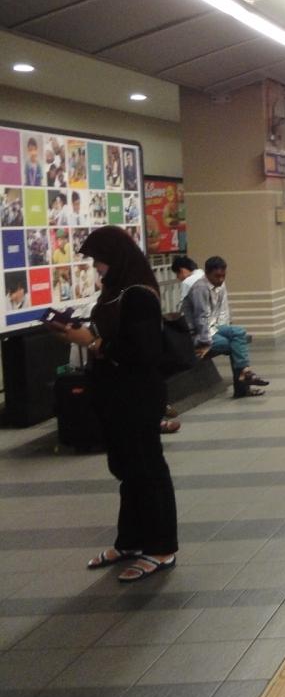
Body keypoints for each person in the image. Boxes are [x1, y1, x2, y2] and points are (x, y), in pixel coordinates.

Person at [45, 226, 178, 582]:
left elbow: (143, 352)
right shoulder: (114, 292)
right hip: (114, 396)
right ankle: (131, 541)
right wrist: (76, 333)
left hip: (137, 396)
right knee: (127, 469)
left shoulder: (139, 295)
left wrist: (92, 342)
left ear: (116, 258)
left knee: (147, 470)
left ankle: (161, 547)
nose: (96, 267)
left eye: (99, 260)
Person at [182, 256, 269, 397]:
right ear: (207, 273)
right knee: (234, 344)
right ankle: (243, 384)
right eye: (217, 276)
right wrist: (205, 342)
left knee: (239, 332)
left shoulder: (218, 286)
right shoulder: (200, 288)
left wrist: (225, 328)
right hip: (197, 333)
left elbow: (218, 313)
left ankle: (245, 372)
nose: (221, 280)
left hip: (213, 328)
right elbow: (200, 318)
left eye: (223, 276)